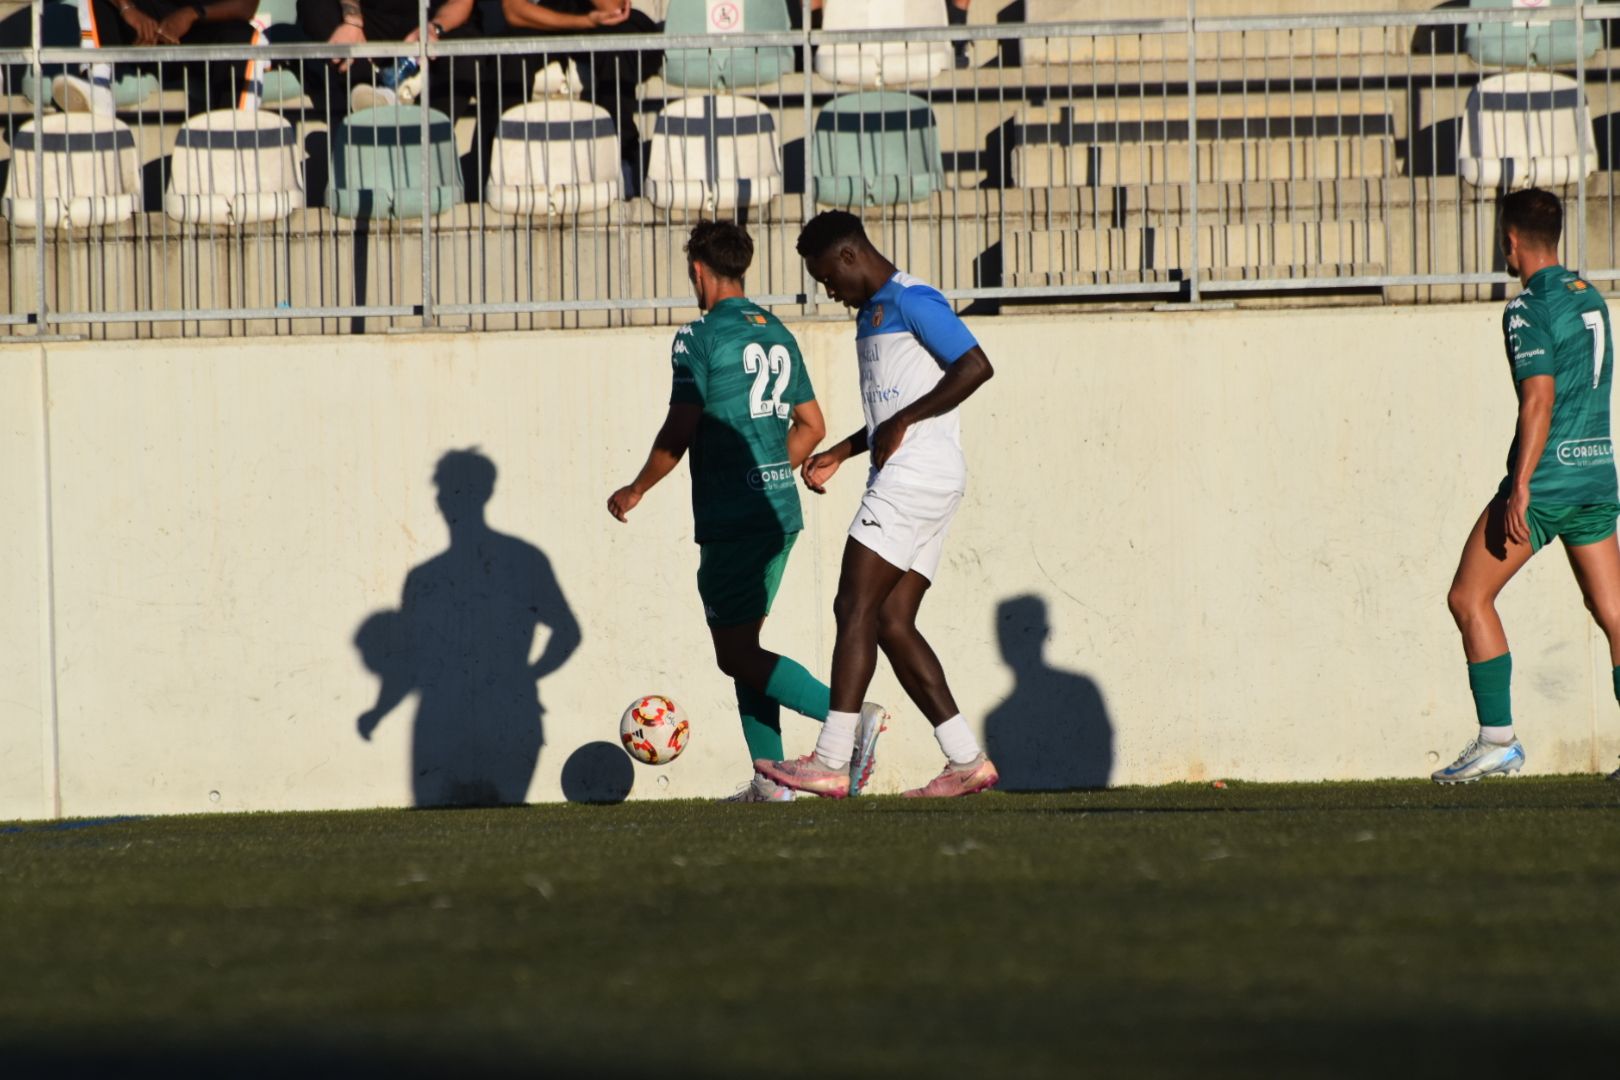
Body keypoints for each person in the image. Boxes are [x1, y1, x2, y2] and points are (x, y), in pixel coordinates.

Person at [607, 221, 884, 803]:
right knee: (746, 651)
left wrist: (636, 489)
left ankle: (851, 718)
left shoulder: (698, 337)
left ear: (698, 271)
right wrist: (773, 469)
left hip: (733, 518)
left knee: (735, 652)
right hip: (778, 513)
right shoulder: (776, 332)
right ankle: (772, 780)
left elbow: (680, 428)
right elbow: (812, 426)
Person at [755, 211, 997, 800]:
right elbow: (893, 412)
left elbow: (976, 365)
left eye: (828, 279)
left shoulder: (913, 298)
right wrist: (840, 450)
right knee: (890, 621)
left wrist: (906, 422)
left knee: (852, 604)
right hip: (927, 477)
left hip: (912, 478)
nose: (829, 291)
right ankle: (966, 760)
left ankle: (832, 758)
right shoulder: (871, 314)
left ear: (848, 256)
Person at [1437, 187, 1620, 784]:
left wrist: (1520, 486)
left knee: (1468, 597)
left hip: (1546, 485)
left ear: (1510, 240)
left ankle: (1498, 741)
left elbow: (1538, 399)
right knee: (1613, 611)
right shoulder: (1589, 295)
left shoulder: (1527, 306)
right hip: (1596, 474)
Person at [55, 0, 260, 115]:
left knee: (247, 37)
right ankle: (99, 88)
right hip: (142, 31)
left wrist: (191, 14)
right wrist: (128, 9)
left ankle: (237, 134)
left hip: (199, 30)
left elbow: (247, 6)